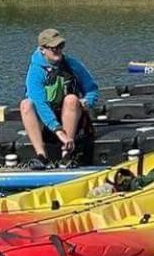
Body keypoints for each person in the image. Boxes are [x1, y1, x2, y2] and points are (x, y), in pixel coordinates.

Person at [20, 28, 99, 167]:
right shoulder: (35, 71)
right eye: (53, 47)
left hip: (70, 117)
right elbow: (39, 103)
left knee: (71, 99)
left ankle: (66, 155)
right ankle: (41, 156)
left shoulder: (72, 64)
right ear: (43, 49)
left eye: (60, 46)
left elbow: (92, 90)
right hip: (47, 122)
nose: (57, 50)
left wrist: (88, 101)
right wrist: (57, 130)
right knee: (26, 104)